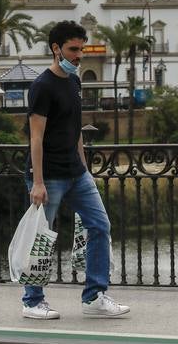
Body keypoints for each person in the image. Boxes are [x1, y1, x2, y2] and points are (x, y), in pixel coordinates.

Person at [22, 20, 130, 320]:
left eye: (81, 49)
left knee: (100, 225)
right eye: (73, 49)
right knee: (42, 236)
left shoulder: (74, 81)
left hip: (76, 173)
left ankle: (94, 297)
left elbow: (76, 129)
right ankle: (32, 301)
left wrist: (84, 168)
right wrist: (38, 182)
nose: (78, 55)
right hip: (49, 176)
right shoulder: (42, 87)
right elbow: (35, 137)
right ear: (56, 49)